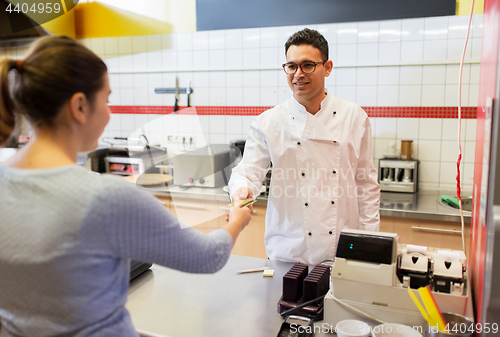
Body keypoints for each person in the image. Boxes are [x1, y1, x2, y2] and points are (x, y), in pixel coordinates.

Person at [0, 36, 252, 337]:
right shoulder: (106, 198)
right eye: (106, 100)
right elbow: (207, 256)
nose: (109, 112)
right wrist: (237, 221)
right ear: (79, 106)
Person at [228, 28, 380, 265]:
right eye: (291, 66)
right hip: (288, 249)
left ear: (327, 67)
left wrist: (370, 242)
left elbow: (366, 184)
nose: (298, 74)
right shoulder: (269, 121)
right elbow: (247, 172)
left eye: (308, 65)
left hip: (342, 249)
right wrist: (242, 189)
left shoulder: (355, 117)